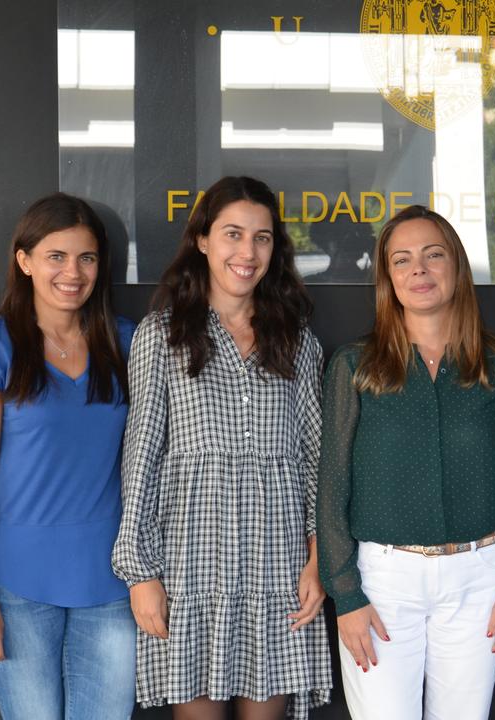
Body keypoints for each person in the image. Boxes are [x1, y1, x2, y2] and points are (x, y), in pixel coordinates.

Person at [111, 176, 332, 719]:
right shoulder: (160, 335)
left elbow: (314, 455)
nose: (247, 252)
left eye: (262, 238)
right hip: (190, 565)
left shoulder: (297, 339)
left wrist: (319, 558)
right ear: (203, 241)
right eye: (233, 234)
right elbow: (141, 454)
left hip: (277, 566)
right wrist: (141, 573)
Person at [316, 205, 495, 720]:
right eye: (402, 260)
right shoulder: (356, 364)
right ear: (388, 278)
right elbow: (332, 488)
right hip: (383, 582)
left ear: (457, 266)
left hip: (479, 581)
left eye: (432, 254)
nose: (418, 269)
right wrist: (346, 594)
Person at [0, 192, 137, 719]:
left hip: (112, 583)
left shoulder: (126, 344)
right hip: (18, 587)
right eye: (56, 256)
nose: (72, 273)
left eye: (87, 257)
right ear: (25, 260)